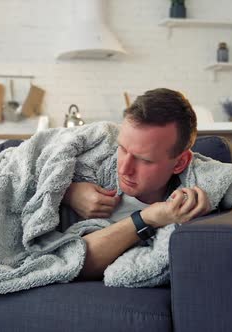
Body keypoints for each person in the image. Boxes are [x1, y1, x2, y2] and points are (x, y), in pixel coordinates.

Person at [62, 88, 212, 280]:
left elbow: (74, 262)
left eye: (144, 160)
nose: (124, 169)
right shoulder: (94, 160)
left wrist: (146, 218)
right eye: (122, 149)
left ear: (180, 162)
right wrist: (67, 192)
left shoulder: (188, 198)